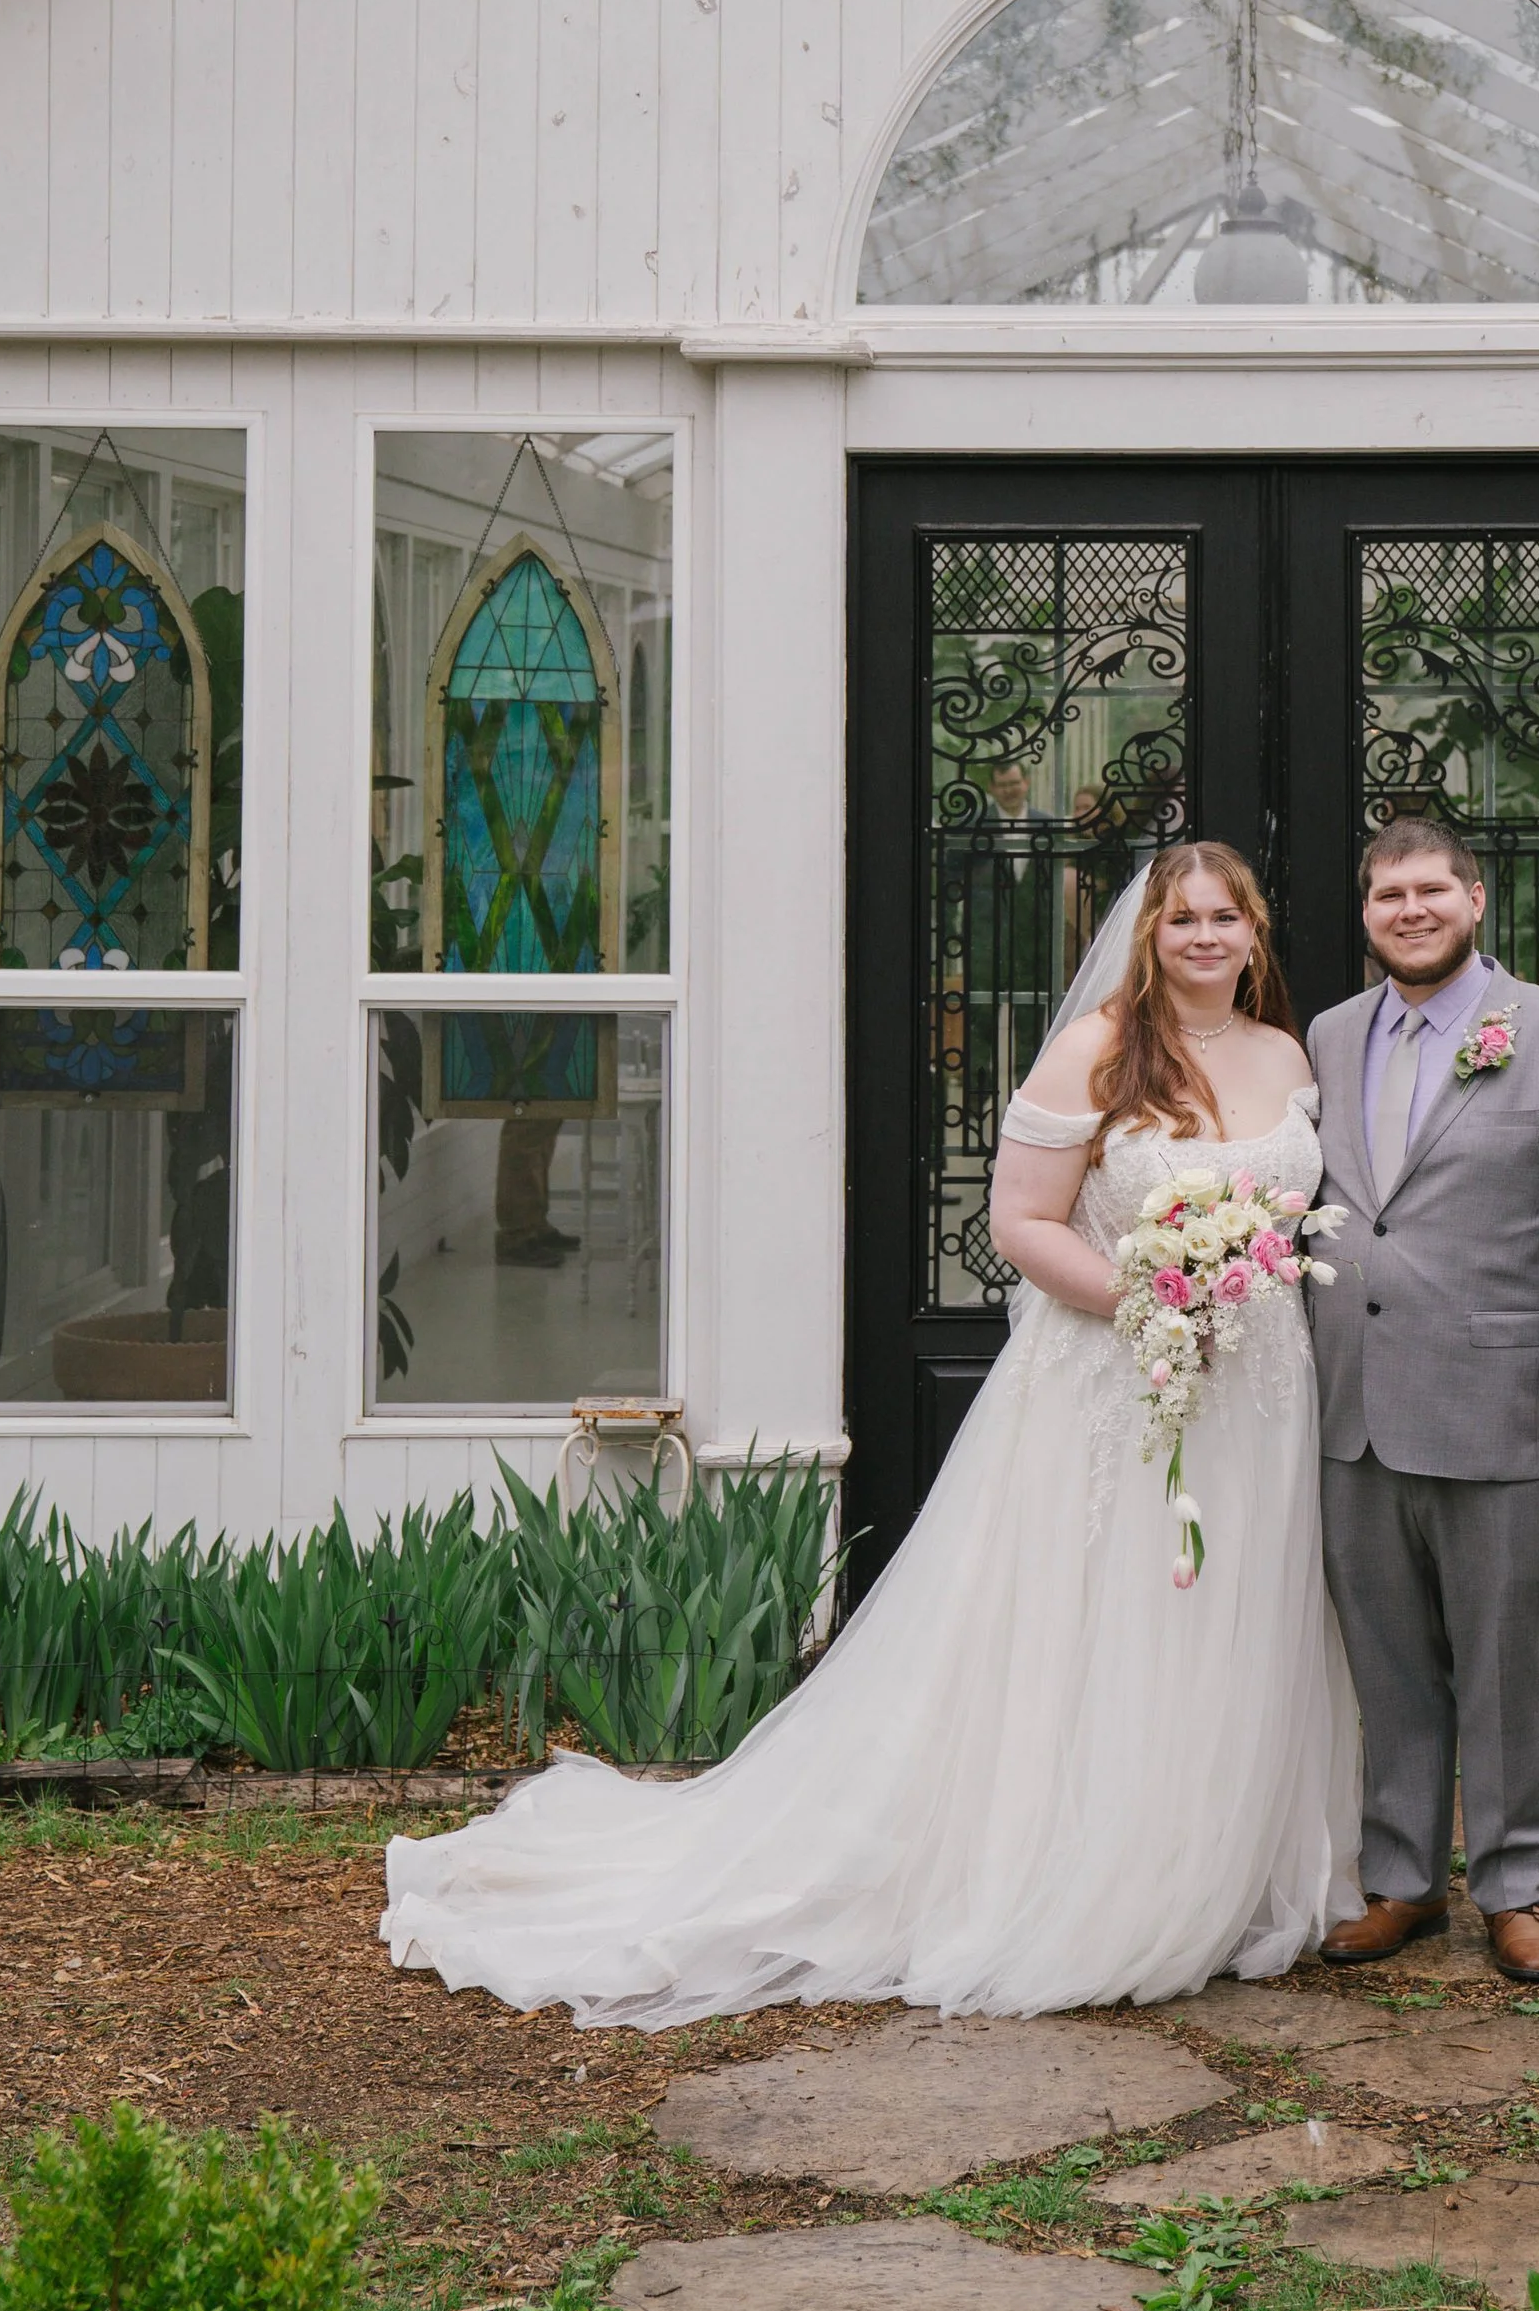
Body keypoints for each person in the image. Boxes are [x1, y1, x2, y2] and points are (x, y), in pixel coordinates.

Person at [377, 839, 1359, 2025]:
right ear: (1148, 937)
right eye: (1181, 919)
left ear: (1255, 934)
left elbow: (1291, 1219)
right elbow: (1020, 1223)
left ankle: (1219, 1861)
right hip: (1117, 1379)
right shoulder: (1096, 1049)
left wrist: (1231, 1290)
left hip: (1256, 1387)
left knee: (1231, 1613)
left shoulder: (1284, 1054)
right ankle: (1092, 1875)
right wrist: (1151, 1297)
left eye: (1226, 918)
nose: (1204, 938)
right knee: (1107, 1619)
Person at [1307, 818, 1539, 1986]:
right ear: (1366, 913)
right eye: (1387, 893)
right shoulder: (1329, 1037)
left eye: (1430, 890)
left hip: (1503, 1402)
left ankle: (1515, 1886)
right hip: (1353, 1407)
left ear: (1475, 900)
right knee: (1387, 1659)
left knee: (1505, 1666)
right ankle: (1401, 1881)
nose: (1410, 909)